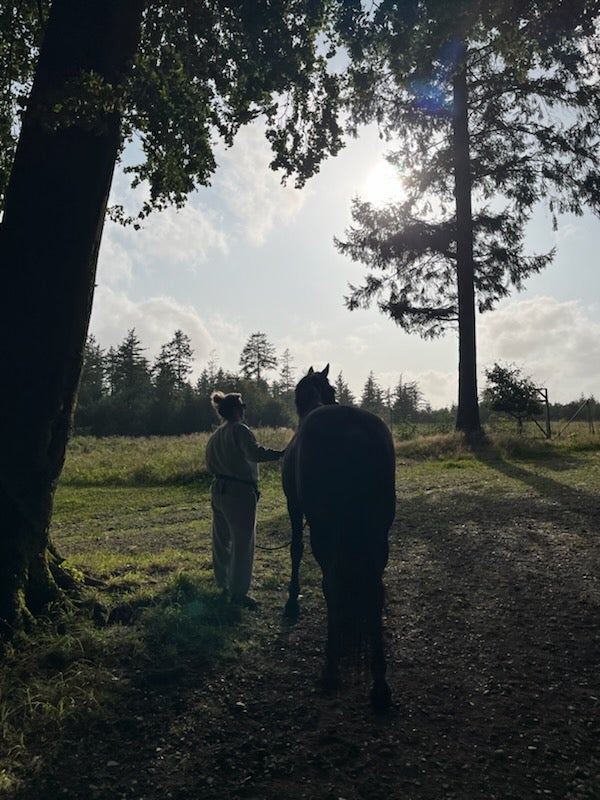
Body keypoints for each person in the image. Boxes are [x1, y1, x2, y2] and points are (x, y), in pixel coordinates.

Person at [205, 391, 284, 607]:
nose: (244, 410)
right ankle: (239, 593)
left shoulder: (215, 436)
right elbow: (254, 453)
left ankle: (222, 583)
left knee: (221, 541)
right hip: (239, 492)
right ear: (237, 410)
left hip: (218, 489)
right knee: (243, 544)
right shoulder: (240, 430)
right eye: (243, 406)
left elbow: (209, 463)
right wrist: (281, 454)